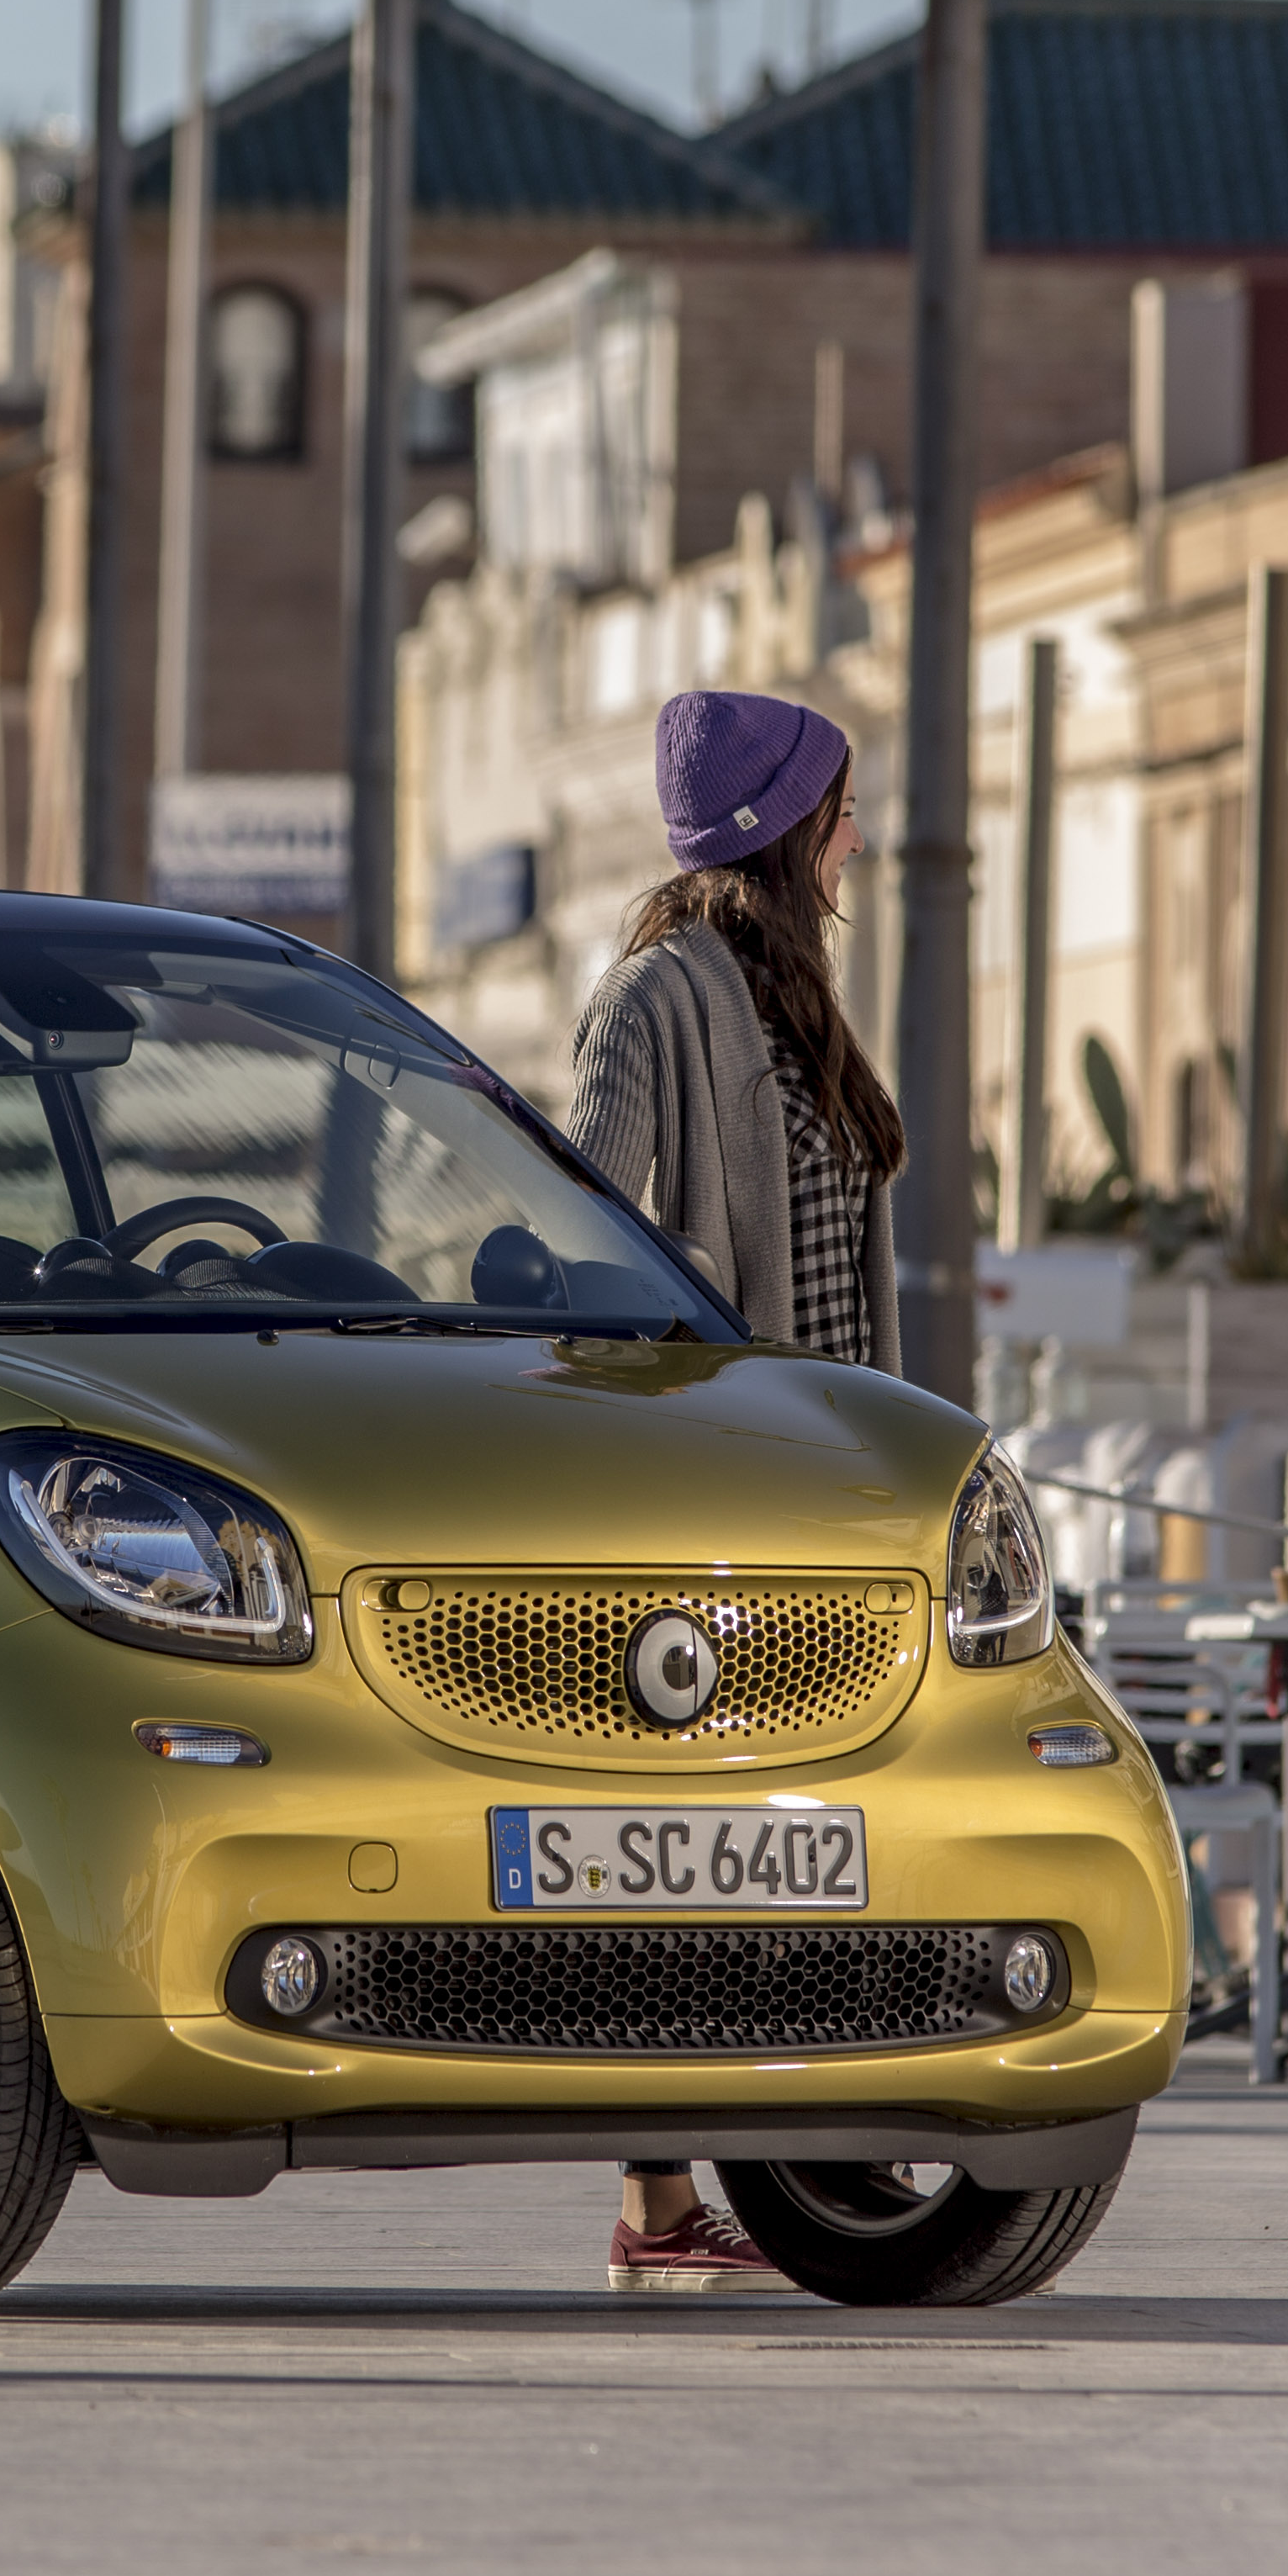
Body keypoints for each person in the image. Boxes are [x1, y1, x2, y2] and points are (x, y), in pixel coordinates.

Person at [563, 688, 905, 2292]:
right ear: (784, 832)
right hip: (711, 1495)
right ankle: (658, 2200)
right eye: (840, 815)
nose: (859, 843)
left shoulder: (793, 1008)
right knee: (692, 1841)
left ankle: (797, 2154)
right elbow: (579, 1223)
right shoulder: (658, 996)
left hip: (827, 1497)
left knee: (812, 1835)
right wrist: (682, 1329)